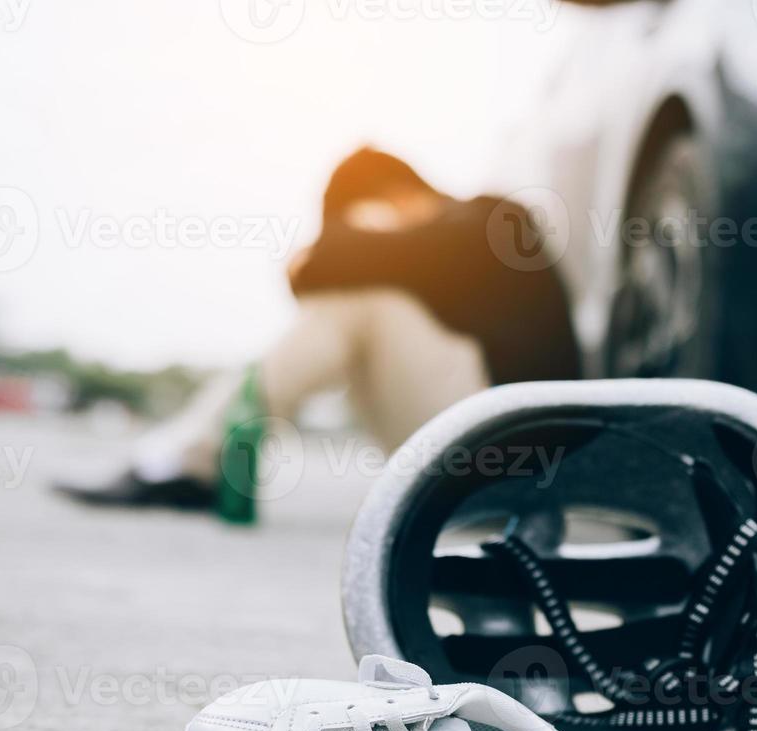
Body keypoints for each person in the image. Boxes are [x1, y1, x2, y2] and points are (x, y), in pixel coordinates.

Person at [55, 149, 580, 520]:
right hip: (465, 460)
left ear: (396, 195)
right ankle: (191, 455)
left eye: (365, 222)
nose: (365, 238)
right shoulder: (426, 272)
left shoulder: (490, 216)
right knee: (356, 300)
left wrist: (337, 247)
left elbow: (322, 264)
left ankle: (185, 461)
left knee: (362, 300)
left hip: (518, 460)